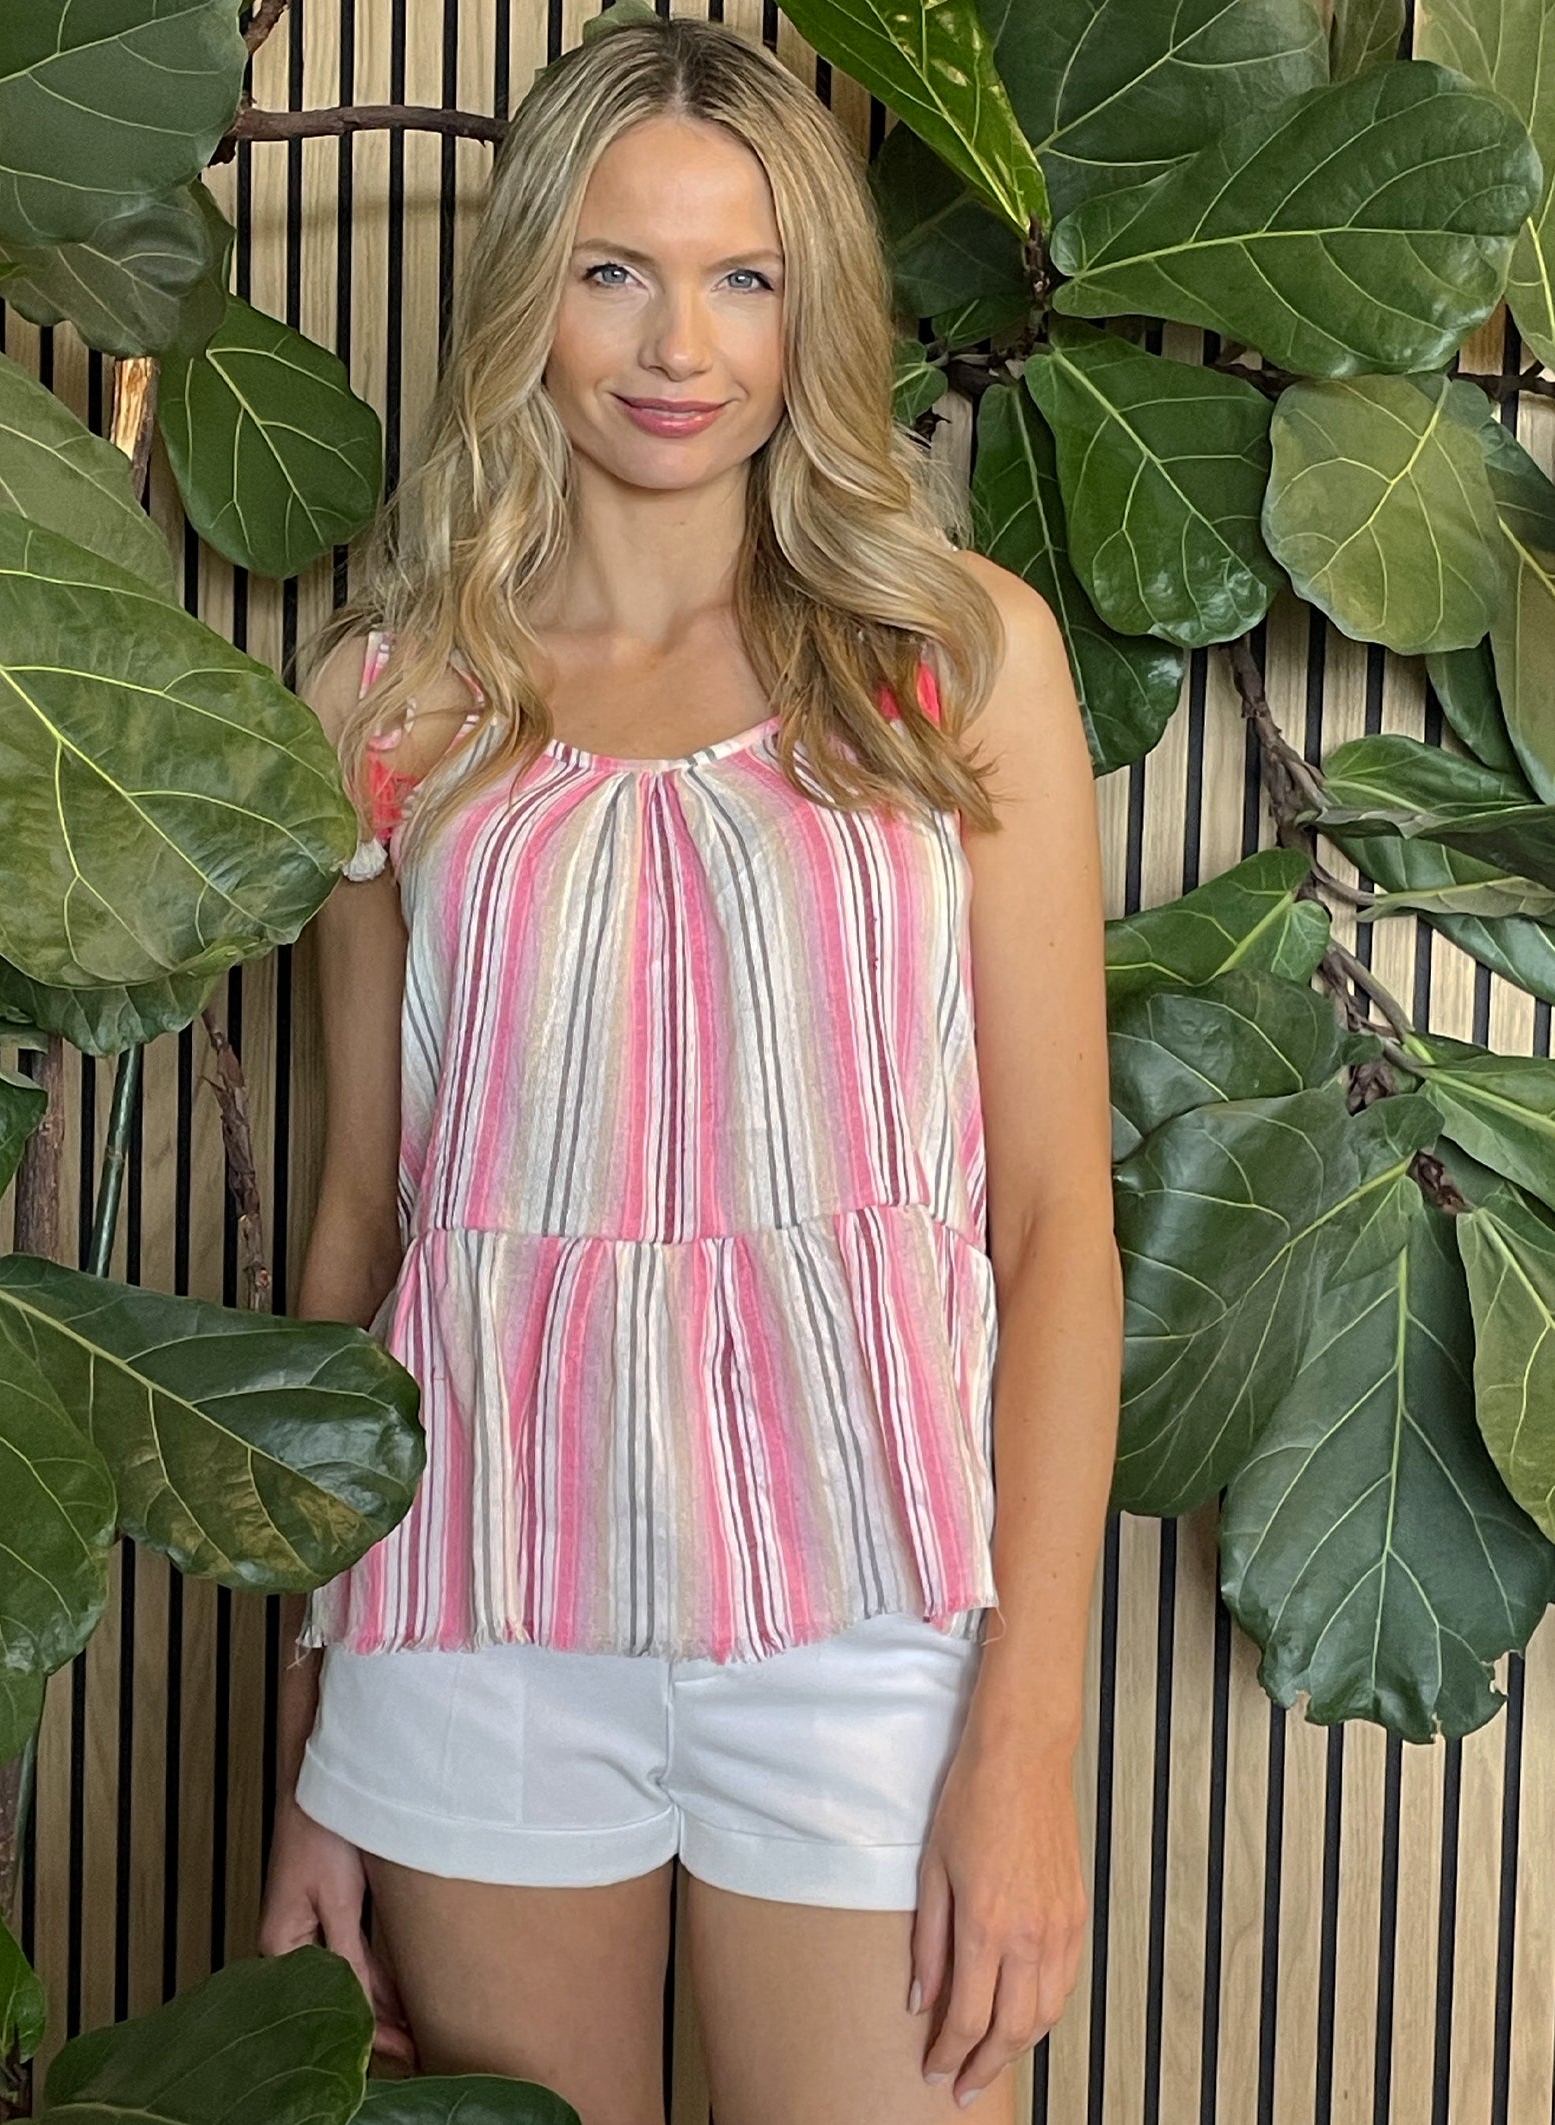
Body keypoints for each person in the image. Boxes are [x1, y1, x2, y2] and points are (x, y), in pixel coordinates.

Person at [259, 16, 1120, 2122]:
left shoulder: (954, 663)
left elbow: (1051, 1223)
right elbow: (367, 1219)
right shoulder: (385, 698)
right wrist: (320, 1750)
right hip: (471, 1629)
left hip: (871, 1628)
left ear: (809, 309)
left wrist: (1021, 1737)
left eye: (742, 276)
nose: (678, 345)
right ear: (525, 293)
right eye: (611, 269)